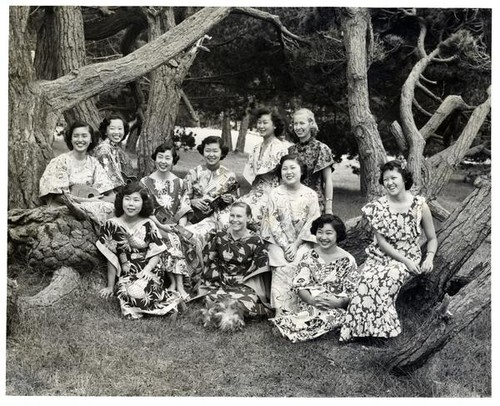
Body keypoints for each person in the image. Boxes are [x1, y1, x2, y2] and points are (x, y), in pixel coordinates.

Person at [340, 160, 438, 341]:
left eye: (394, 178)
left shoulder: (419, 206)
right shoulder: (378, 207)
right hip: (380, 255)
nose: (390, 183)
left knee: (387, 279)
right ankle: (357, 331)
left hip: (408, 257)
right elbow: (382, 243)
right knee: (366, 279)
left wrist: (428, 258)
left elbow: (432, 238)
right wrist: (405, 261)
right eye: (386, 179)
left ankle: (381, 333)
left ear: (404, 179)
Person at [97, 183, 182, 320]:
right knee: (124, 290)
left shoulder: (149, 224)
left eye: (136, 200)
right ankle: (166, 305)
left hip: (149, 268)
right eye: (127, 199)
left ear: (143, 203)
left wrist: (147, 270)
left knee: (143, 288)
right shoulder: (111, 225)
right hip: (127, 272)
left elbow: (157, 252)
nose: (131, 204)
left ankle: (167, 302)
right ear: (121, 200)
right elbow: (111, 257)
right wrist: (110, 286)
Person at [271, 214, 359, 342]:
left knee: (335, 315)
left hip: (335, 305)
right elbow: (300, 286)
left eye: (329, 233)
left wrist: (337, 302)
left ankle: (288, 326)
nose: (323, 237)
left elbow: (353, 291)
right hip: (310, 302)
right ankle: (295, 325)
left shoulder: (348, 260)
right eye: (320, 232)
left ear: (337, 235)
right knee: (314, 312)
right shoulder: (309, 256)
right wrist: (312, 300)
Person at [261, 154, 321, 316]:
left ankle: (301, 309)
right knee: (281, 265)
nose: (288, 172)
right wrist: (286, 246)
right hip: (278, 242)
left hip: (303, 241)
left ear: (301, 171)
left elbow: (312, 224)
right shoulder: (275, 194)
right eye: (284, 168)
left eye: (292, 168)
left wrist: (295, 245)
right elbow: (273, 223)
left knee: (300, 261)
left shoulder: (311, 195)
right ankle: (280, 311)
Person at [198, 202, 271, 331]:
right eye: (232, 216)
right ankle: (226, 317)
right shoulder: (220, 235)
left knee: (239, 304)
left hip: (244, 286)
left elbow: (261, 268)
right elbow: (207, 259)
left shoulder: (255, 240)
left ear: (248, 218)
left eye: (239, 216)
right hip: (221, 283)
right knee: (211, 300)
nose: (234, 220)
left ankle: (225, 317)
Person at [140, 143, 198, 300]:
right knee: (170, 238)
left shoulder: (181, 183)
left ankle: (173, 283)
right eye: (160, 157)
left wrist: (181, 227)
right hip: (151, 224)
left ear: (173, 161)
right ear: (154, 159)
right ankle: (179, 285)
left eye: (167, 158)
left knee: (177, 237)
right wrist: (161, 226)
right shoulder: (145, 183)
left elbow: (185, 208)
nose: (163, 161)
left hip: (174, 225)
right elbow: (144, 211)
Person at [39, 120, 115, 223]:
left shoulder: (94, 163)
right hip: (65, 207)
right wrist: (87, 201)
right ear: (70, 139)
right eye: (76, 136)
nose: (80, 140)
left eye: (84, 136)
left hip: (93, 205)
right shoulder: (61, 161)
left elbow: (108, 192)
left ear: (91, 139)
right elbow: (58, 197)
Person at [240, 108, 291, 228]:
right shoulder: (256, 148)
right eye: (259, 122)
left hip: (271, 197)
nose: (261, 126)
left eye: (265, 122)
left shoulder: (281, 148)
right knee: (228, 214)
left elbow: (285, 180)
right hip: (254, 195)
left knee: (243, 218)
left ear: (274, 126)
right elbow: (252, 176)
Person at [184, 136, 239, 240]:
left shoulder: (229, 175)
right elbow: (182, 198)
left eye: (215, 151)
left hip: (222, 218)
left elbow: (237, 202)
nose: (211, 155)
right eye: (207, 151)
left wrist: (231, 199)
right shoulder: (194, 173)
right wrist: (193, 201)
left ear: (222, 153)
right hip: (197, 218)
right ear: (203, 152)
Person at [288, 108, 335, 214]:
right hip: (293, 203)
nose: (298, 127)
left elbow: (328, 180)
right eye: (295, 124)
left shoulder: (322, 148)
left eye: (302, 123)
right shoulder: (291, 150)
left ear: (311, 124)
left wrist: (329, 208)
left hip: (315, 204)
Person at [92, 114, 135, 189]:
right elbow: (112, 180)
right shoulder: (103, 150)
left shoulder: (115, 148)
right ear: (105, 131)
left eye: (119, 129)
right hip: (105, 193)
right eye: (112, 128)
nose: (116, 132)